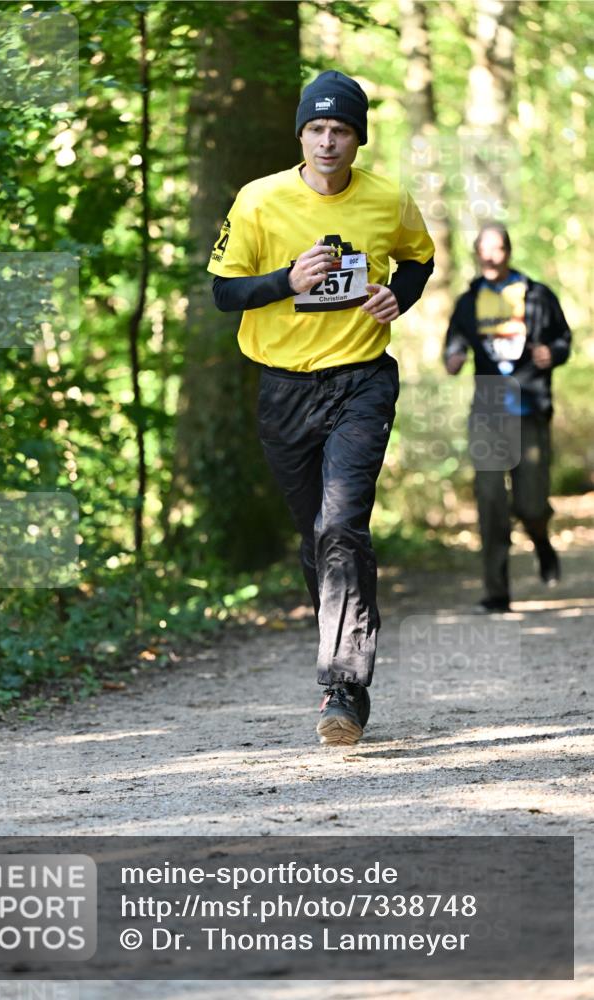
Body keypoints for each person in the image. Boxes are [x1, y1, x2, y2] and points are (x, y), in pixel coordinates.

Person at [207, 70, 435, 746]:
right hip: (283, 386)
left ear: (357, 139)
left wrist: (402, 296)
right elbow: (223, 293)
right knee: (317, 537)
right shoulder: (259, 200)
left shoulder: (387, 200)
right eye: (317, 129)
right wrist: (286, 280)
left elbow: (417, 261)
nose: (328, 142)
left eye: (340, 131)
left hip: (361, 378)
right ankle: (344, 656)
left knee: (341, 524)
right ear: (301, 135)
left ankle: (343, 686)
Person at [443, 222, 571, 613]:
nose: (491, 255)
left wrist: (554, 352)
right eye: (484, 248)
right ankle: (497, 591)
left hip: (529, 405)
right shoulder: (468, 302)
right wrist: (454, 358)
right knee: (491, 501)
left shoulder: (536, 295)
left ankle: (541, 540)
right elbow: (453, 344)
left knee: (531, 505)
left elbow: (564, 338)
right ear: (477, 254)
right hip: (488, 411)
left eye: (497, 248)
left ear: (508, 251)